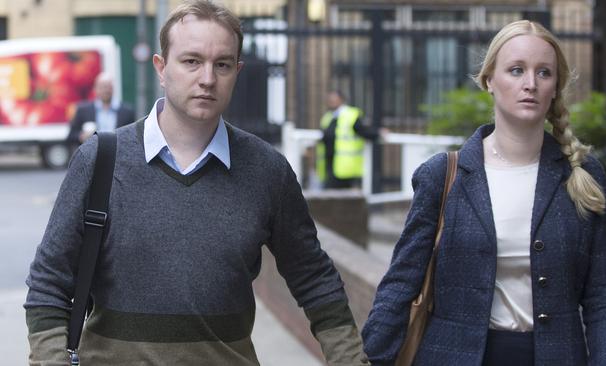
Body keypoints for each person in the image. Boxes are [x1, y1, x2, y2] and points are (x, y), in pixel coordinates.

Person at [24, 1, 367, 365]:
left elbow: (314, 279)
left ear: (237, 71)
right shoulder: (100, 160)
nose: (207, 78)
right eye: (191, 61)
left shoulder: (267, 171)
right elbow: (49, 282)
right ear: (161, 67)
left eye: (222, 64)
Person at [362, 20, 606, 365]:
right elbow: (400, 285)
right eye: (516, 70)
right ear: (489, 80)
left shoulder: (583, 176)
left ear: (556, 86)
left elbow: (605, 297)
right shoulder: (442, 175)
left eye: (544, 73)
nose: (530, 84)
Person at [317, 90, 387, 189]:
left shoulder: (350, 114)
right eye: (329, 99)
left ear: (341, 100)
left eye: (334, 99)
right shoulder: (328, 117)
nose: (331, 101)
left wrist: (378, 133)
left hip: (345, 167)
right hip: (329, 164)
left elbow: (362, 130)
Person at [66, 72, 135, 145]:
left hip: (118, 154)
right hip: (92, 154)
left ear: (113, 89)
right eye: (102, 87)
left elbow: (132, 137)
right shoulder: (83, 110)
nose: (106, 90)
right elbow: (71, 136)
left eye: (108, 87)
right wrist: (82, 136)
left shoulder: (127, 112)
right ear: (95, 89)